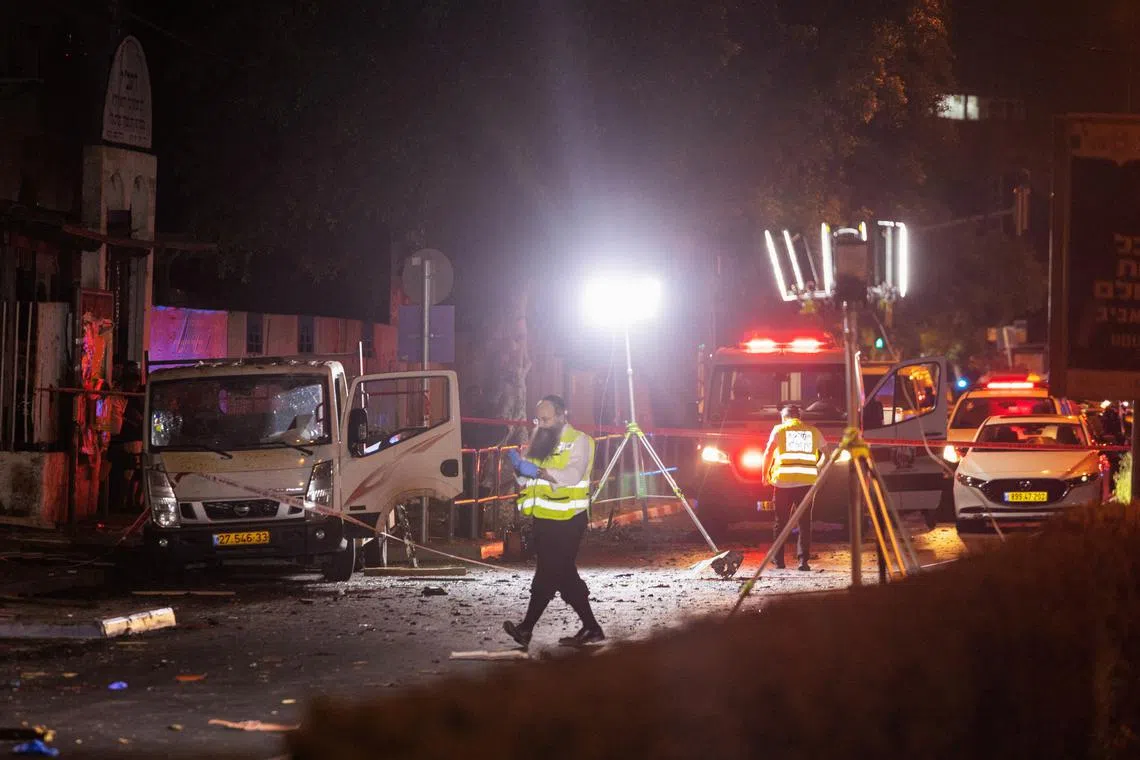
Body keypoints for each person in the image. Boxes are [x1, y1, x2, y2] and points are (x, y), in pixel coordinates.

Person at [503, 395, 600, 649]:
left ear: (561, 415)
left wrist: (537, 471)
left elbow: (572, 475)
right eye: (537, 420)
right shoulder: (540, 439)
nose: (541, 424)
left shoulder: (579, 441)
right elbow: (525, 479)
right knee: (564, 575)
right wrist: (519, 468)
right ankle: (592, 628)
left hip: (568, 520)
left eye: (545, 419)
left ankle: (526, 628)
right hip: (544, 520)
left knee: (547, 573)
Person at [761, 404, 825, 571]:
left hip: (783, 483)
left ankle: (779, 560)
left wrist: (764, 474)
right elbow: (827, 453)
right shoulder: (813, 431)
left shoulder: (779, 430)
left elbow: (768, 453)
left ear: (784, 417)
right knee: (804, 522)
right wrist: (817, 468)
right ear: (799, 417)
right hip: (806, 483)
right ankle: (803, 561)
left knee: (781, 521)